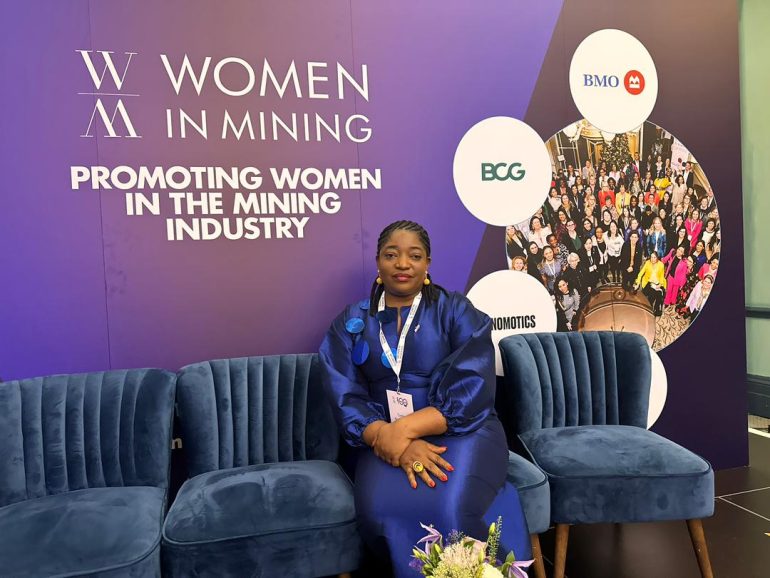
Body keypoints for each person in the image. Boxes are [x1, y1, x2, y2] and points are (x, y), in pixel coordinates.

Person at [319, 221, 530, 577]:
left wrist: (405, 430)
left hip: (463, 430)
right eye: (392, 255)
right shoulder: (351, 321)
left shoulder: (456, 310)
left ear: (427, 263)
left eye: (414, 256)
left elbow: (472, 387)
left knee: (449, 507)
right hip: (381, 437)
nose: (403, 264)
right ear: (378, 261)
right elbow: (344, 391)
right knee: (378, 508)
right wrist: (389, 438)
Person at [634, 251, 667, 316]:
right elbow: (640, 274)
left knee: (659, 295)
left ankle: (656, 310)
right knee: (652, 295)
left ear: (657, 258)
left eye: (654, 257)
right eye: (651, 257)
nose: (653, 259)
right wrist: (637, 283)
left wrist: (660, 284)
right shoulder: (647, 263)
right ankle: (649, 309)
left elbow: (661, 276)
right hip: (648, 282)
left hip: (657, 283)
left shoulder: (661, 265)